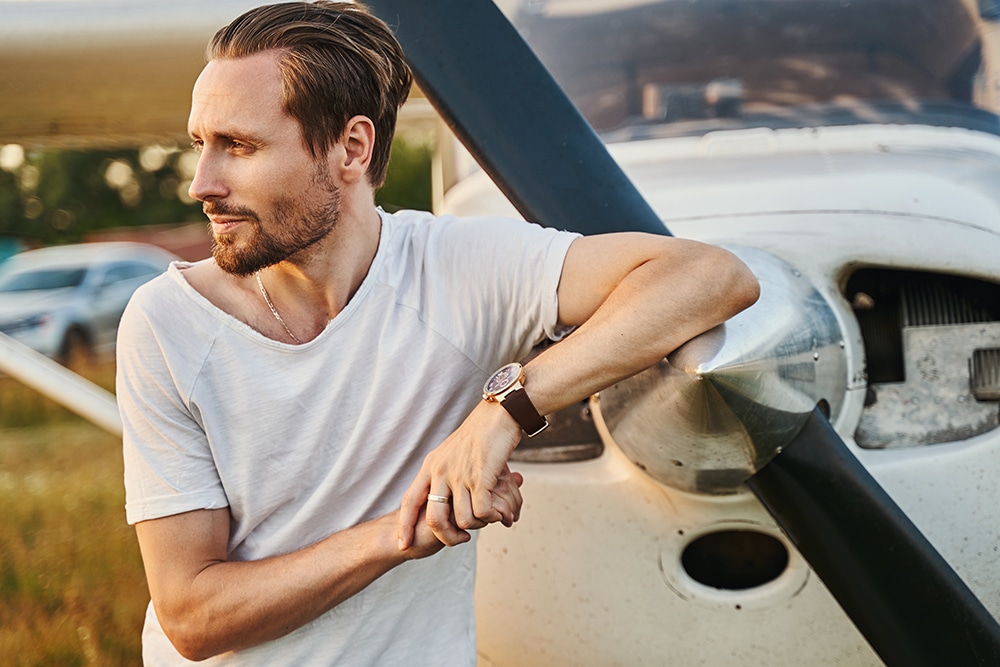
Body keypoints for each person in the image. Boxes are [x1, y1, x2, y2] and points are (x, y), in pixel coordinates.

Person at [116, 2, 760, 664]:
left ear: (351, 147)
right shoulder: (166, 324)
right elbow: (193, 614)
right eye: (201, 144)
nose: (202, 183)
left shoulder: (455, 266)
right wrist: (400, 533)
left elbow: (711, 276)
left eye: (239, 146)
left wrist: (507, 407)